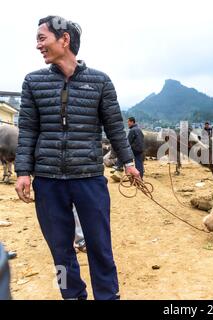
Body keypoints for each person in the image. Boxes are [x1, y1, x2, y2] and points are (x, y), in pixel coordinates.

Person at [14, 15, 140, 300]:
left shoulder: (100, 81)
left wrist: (130, 164)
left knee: (99, 246)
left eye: (42, 38)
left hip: (89, 179)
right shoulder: (33, 82)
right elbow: (28, 130)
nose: (38, 46)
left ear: (65, 40)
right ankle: (72, 295)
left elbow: (114, 128)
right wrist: (23, 171)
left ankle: (108, 295)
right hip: (47, 181)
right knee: (60, 250)